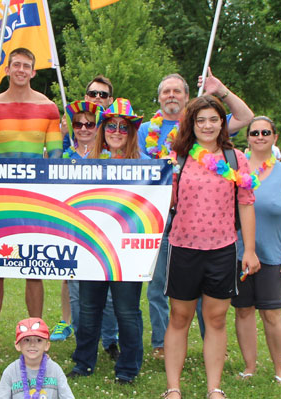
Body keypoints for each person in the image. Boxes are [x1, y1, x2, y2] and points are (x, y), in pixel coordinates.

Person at [141, 70, 254, 360]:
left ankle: (210, 343)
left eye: (177, 91)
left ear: (187, 97)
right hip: (161, 216)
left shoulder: (206, 123)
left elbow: (246, 116)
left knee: (209, 293)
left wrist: (220, 90)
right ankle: (161, 344)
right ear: (159, 97)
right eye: (166, 91)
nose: (171, 96)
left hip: (207, 223)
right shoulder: (145, 131)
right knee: (159, 287)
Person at [161, 95, 259, 399]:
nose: (207, 125)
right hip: (183, 247)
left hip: (223, 248)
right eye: (200, 120)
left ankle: (214, 388)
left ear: (222, 123)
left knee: (216, 319)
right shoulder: (178, 157)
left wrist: (251, 250)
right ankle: (173, 388)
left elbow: (246, 204)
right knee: (179, 318)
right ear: (192, 123)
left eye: (213, 119)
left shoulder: (235, 159)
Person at [0, 47, 61, 361]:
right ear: (7, 68)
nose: (21, 70)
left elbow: (54, 156)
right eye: (16, 65)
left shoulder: (49, 107)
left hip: (36, 195)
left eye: (27, 65)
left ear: (34, 71)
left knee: (34, 265)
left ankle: (36, 331)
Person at [70, 99, 146, 384]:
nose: (116, 131)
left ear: (131, 132)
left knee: (127, 311)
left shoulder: (146, 166)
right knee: (89, 309)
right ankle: (83, 363)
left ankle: (127, 369)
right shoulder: (88, 164)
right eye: (111, 125)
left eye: (123, 127)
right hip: (93, 247)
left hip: (128, 251)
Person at [233, 116, 281, 385]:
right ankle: (249, 366)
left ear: (274, 137)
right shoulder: (236, 169)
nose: (259, 136)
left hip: (274, 254)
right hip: (238, 254)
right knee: (243, 310)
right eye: (254, 132)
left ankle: (280, 369)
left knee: (271, 312)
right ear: (247, 137)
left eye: (265, 132)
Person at [56, 100, 120, 356]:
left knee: (109, 294)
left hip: (105, 230)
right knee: (76, 291)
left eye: (89, 124)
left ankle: (110, 339)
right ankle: (84, 340)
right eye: (78, 124)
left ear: (98, 127)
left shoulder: (107, 154)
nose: (83, 128)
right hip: (73, 231)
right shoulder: (64, 155)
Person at [0, 318, 74, 399]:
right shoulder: (11, 371)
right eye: (26, 340)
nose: (32, 344)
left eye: (39, 340)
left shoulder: (55, 369)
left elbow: (67, 396)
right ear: (18, 345)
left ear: (47, 345)